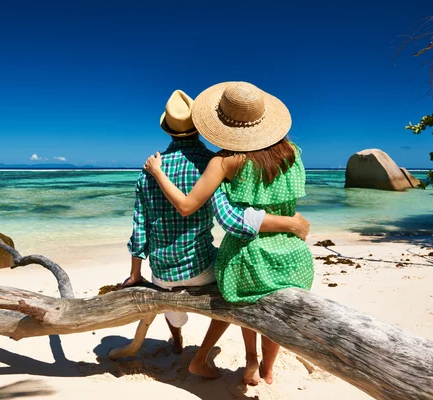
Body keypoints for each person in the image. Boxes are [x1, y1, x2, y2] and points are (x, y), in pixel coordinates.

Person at [125, 89, 311, 379]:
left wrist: (136, 273)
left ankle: (192, 343)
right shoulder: (292, 153)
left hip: (188, 265)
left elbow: (144, 225)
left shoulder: (214, 164)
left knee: (236, 292)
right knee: (255, 303)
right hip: (288, 253)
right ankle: (267, 369)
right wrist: (291, 224)